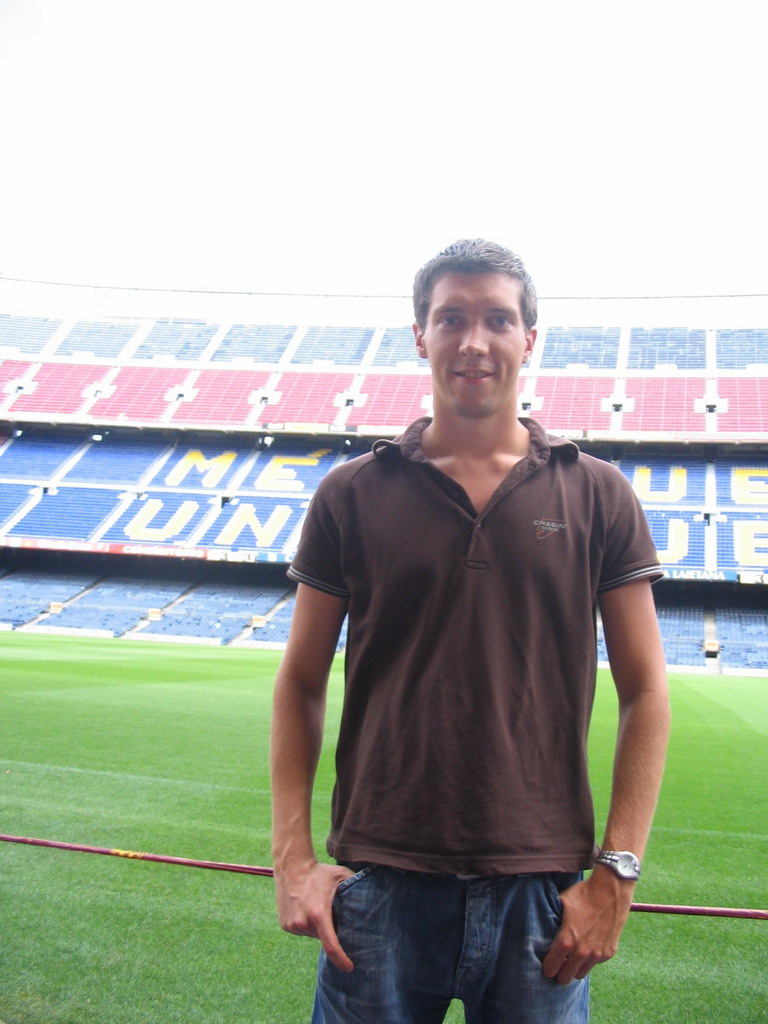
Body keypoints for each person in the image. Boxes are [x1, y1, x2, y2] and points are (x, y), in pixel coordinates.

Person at [270, 239, 670, 1024]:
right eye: (451, 318)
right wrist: (292, 856)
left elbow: (647, 691)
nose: (474, 341)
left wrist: (616, 872)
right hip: (380, 885)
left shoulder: (599, 494)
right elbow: (300, 682)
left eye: (497, 319)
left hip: (542, 893)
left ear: (530, 338)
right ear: (420, 334)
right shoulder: (350, 494)